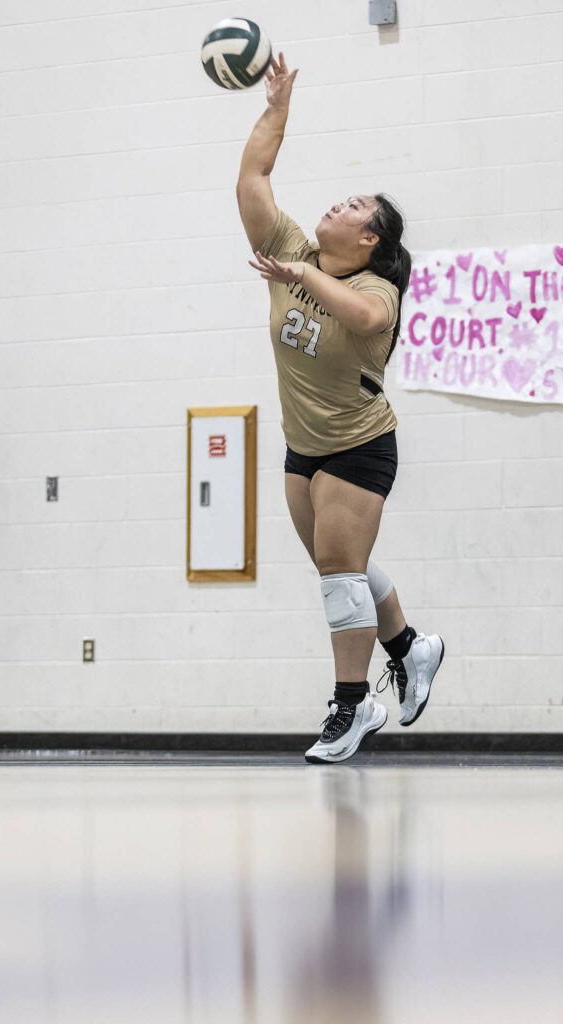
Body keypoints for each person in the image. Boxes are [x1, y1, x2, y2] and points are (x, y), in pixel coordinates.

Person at [236, 52, 444, 764]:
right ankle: (412, 648)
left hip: (359, 444)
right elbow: (253, 180)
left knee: (338, 571)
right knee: (340, 568)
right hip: (304, 445)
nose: (338, 204)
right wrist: (276, 107)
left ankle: (351, 709)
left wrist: (298, 275)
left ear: (370, 242)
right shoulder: (290, 247)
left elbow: (358, 318)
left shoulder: (377, 291)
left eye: (356, 207)